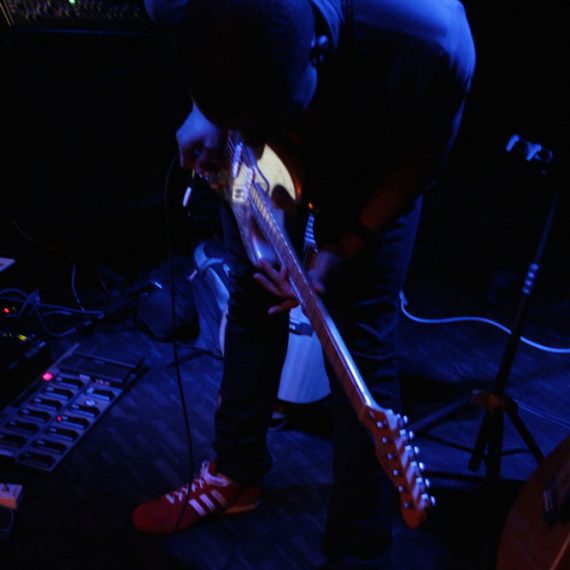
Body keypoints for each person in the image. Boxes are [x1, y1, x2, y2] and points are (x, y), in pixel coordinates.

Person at [133, 1, 476, 567]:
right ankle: (235, 476)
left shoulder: (433, 38)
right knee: (253, 290)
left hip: (375, 149)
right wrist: (209, 112)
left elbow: (421, 159)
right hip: (262, 126)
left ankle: (357, 543)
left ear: (316, 49)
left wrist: (348, 245)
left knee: (359, 333)